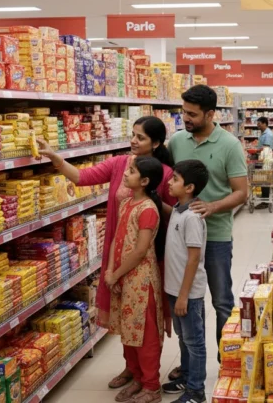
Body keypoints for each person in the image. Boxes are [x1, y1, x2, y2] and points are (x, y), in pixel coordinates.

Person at [36, 115, 176, 398]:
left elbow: (175, 215)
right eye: (132, 134)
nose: (133, 141)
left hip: (146, 258)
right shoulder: (119, 164)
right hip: (117, 255)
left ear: (156, 143)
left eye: (140, 137)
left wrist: (152, 197)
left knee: (145, 324)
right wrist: (54, 157)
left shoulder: (164, 175)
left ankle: (148, 380)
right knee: (125, 319)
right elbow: (82, 177)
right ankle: (132, 371)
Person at [168, 85, 248, 376]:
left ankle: (227, 361)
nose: (185, 118)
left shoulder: (229, 145)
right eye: (184, 112)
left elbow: (241, 193)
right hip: (182, 238)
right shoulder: (177, 141)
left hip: (215, 236)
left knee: (221, 301)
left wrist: (212, 206)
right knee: (189, 302)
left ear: (210, 114)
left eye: (192, 114)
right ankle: (190, 364)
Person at [105, 157, 168, 403]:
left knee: (145, 335)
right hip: (122, 277)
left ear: (144, 181)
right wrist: (110, 271)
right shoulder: (126, 203)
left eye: (131, 171)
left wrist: (116, 273)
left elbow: (141, 250)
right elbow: (116, 239)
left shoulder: (148, 209)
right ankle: (138, 379)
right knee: (128, 331)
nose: (125, 173)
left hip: (141, 280)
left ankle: (152, 387)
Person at [161, 160, 210, 403]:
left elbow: (193, 258)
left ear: (189, 187)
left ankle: (196, 391)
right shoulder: (178, 210)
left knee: (194, 341)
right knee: (184, 338)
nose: (169, 182)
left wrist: (183, 296)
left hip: (187, 293)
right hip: (176, 289)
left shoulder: (192, 217)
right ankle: (188, 376)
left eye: (175, 179)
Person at [255, 116, 273, 206]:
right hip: (263, 159)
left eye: (259, 124)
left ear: (264, 124)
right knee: (263, 179)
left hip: (266, 160)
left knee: (265, 179)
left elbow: (266, 149)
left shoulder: (268, 134)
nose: (257, 125)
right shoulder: (264, 133)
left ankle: (265, 202)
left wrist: (257, 152)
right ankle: (264, 197)